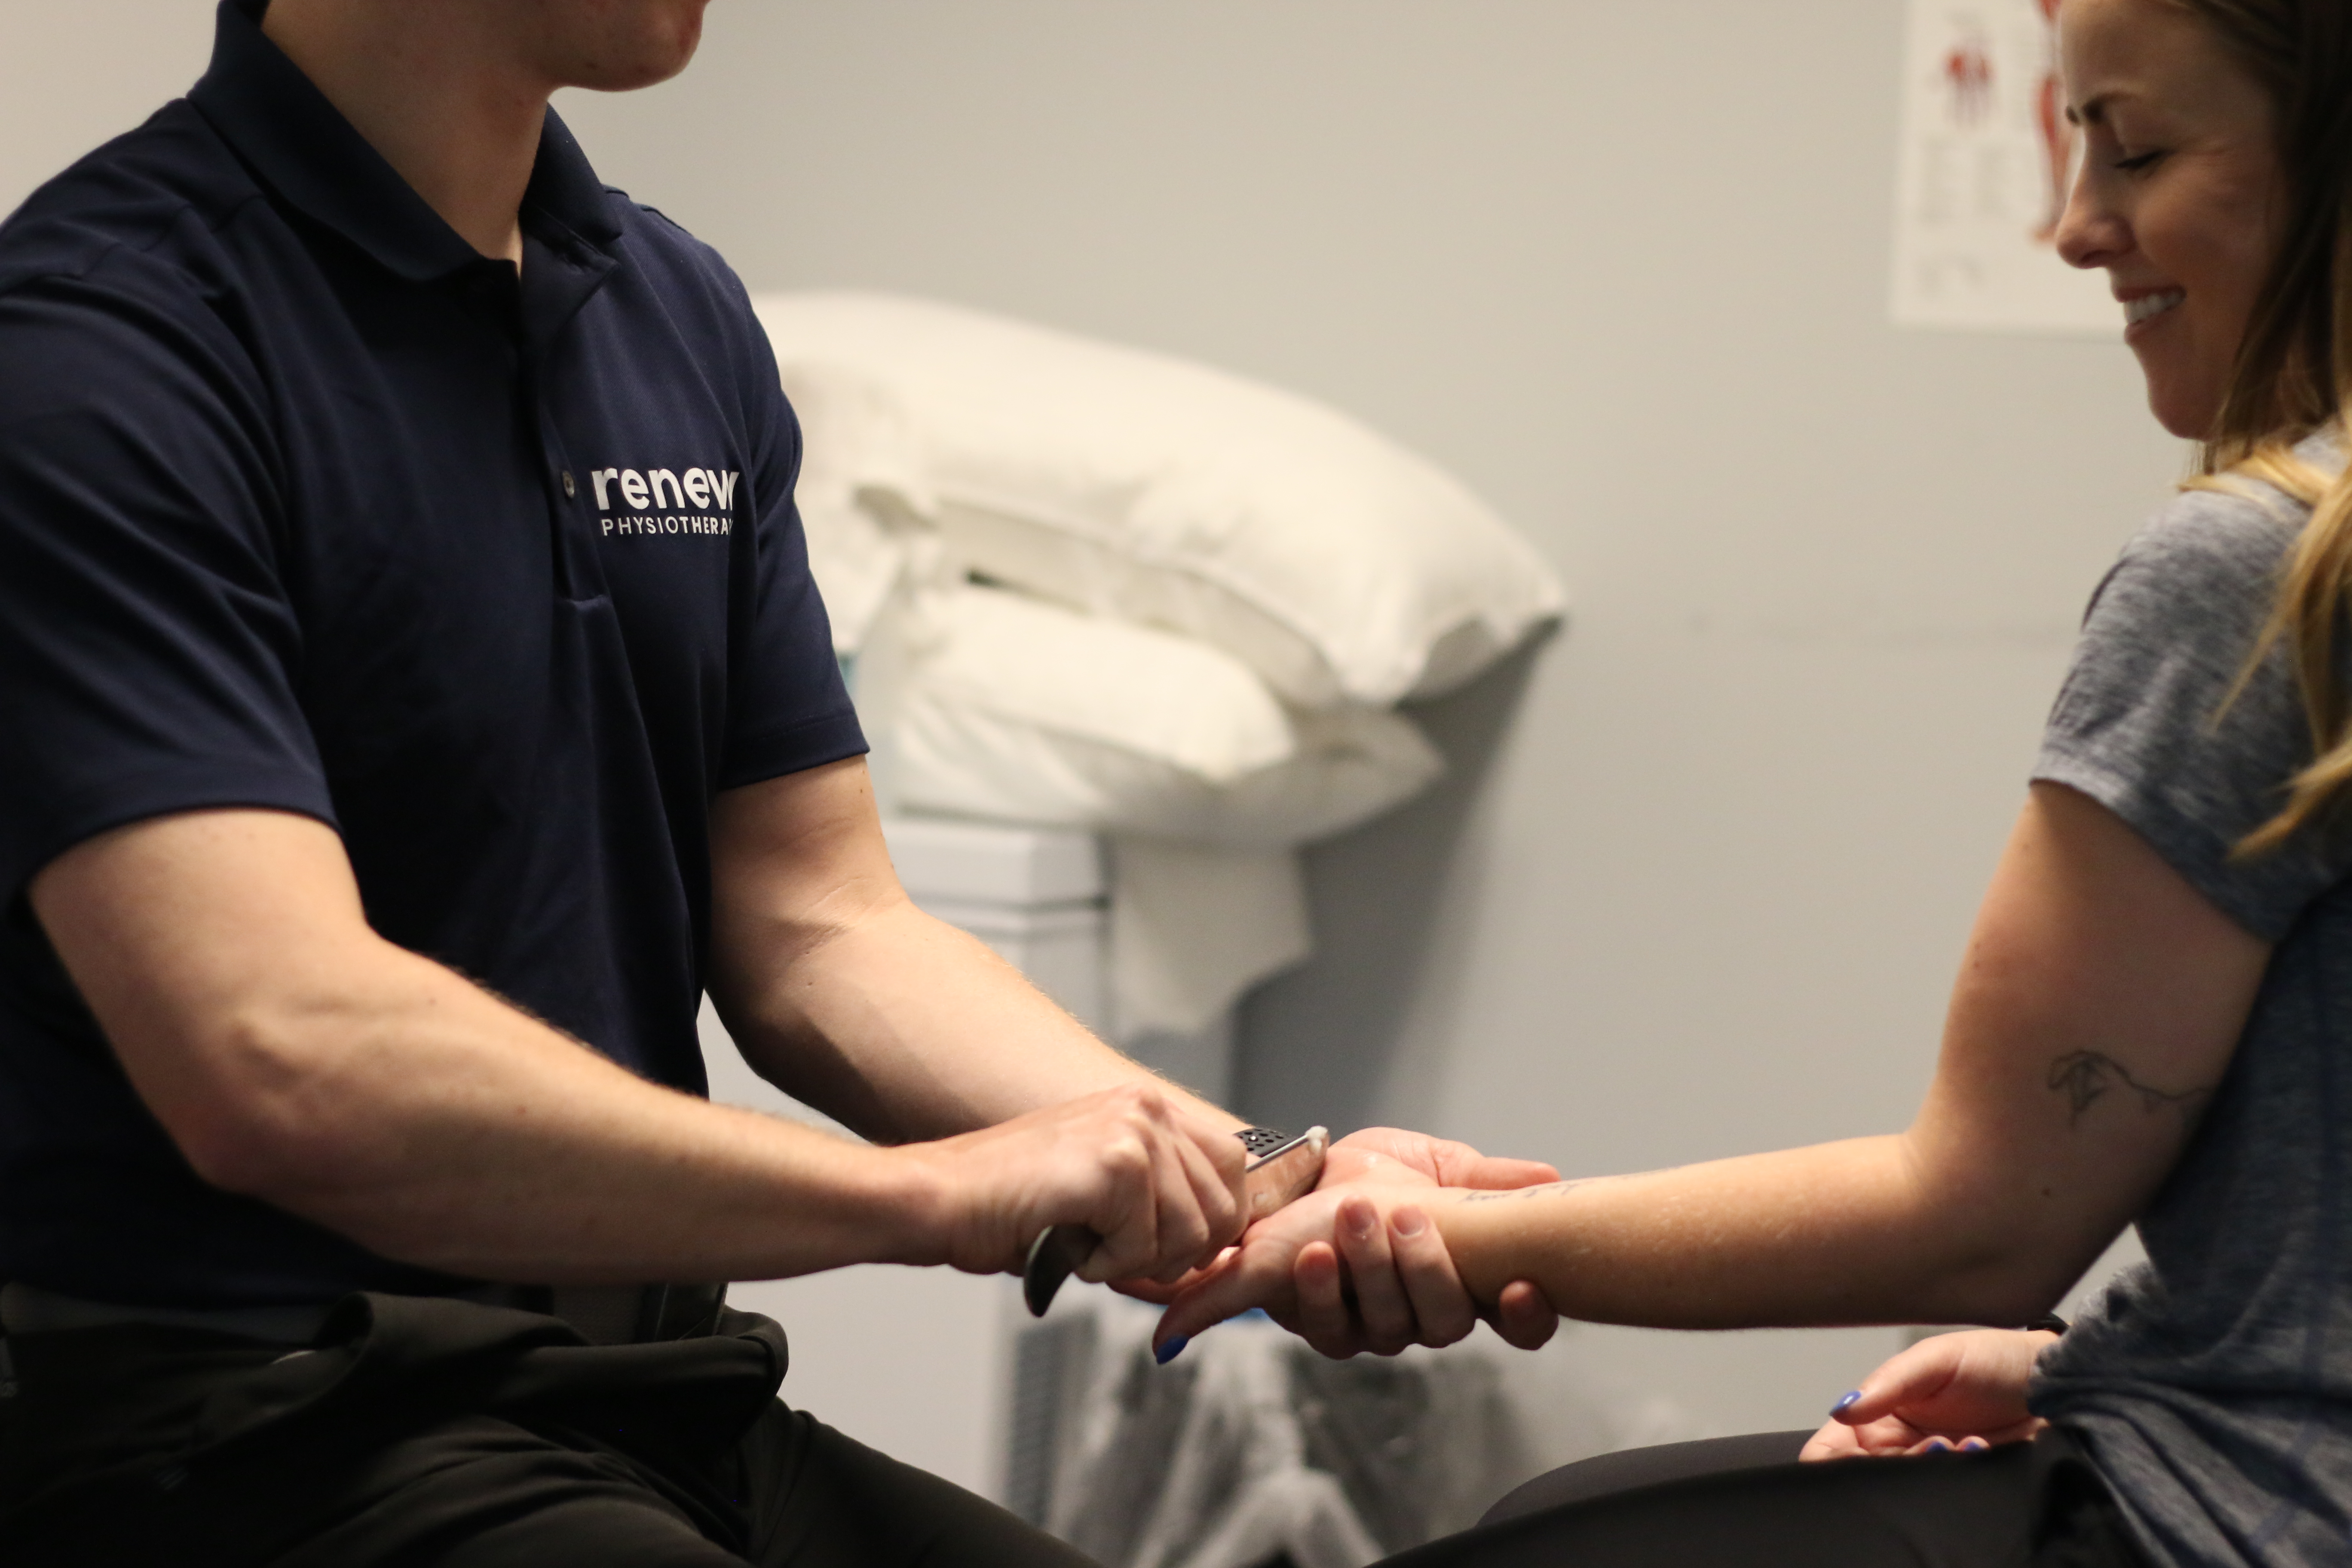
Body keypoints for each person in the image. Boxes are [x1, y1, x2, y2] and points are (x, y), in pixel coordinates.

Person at [0, 3, 1565, 1564]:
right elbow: (284, 1060)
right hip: (257, 1422)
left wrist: (1261, 1174)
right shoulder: (99, 345)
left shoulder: (668, 309)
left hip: (642, 1397)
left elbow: (820, 926)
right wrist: (928, 1196)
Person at [1158, 1, 2352, 1563]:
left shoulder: (2267, 573)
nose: (2074, 228)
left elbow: (1981, 1219)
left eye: (2133, 150)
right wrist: (2082, 1363)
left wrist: (1453, 1231)